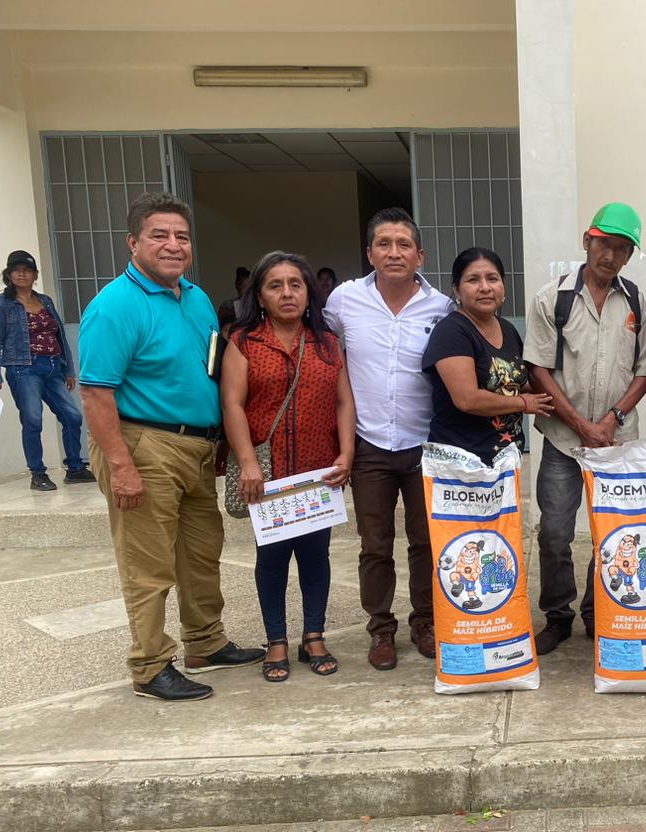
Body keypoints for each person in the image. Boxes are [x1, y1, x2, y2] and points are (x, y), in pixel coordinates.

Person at [79, 192, 264, 702]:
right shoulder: (115, 305)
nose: (173, 245)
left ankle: (205, 642)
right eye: (158, 235)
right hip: (143, 445)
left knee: (201, 552)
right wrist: (121, 466)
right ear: (133, 242)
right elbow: (95, 393)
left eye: (181, 236)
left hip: (195, 448)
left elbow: (209, 368)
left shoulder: (196, 298)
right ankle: (150, 665)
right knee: (149, 564)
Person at [324, 208, 452, 670]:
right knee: (375, 545)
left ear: (420, 255)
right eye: (384, 244)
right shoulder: (344, 300)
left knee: (426, 542)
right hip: (369, 445)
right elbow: (324, 354)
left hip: (425, 445)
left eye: (403, 244)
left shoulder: (442, 307)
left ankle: (425, 622)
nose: (394, 252)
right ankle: (381, 629)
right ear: (370, 253)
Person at [524, 202, 646, 653]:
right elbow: (538, 368)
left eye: (622, 249)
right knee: (554, 533)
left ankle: (599, 611)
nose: (610, 256)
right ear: (587, 241)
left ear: (629, 255)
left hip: (616, 443)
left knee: (611, 533)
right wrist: (581, 425)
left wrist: (612, 419)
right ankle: (557, 616)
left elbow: (645, 370)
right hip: (563, 440)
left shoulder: (637, 301)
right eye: (604, 244)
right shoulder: (553, 298)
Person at [221, 251, 355, 683]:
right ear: (260, 296)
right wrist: (247, 464)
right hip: (269, 473)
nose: (287, 293)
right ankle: (276, 640)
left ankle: (313, 635)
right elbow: (232, 404)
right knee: (272, 558)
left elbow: (343, 401)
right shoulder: (244, 343)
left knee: (316, 555)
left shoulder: (327, 343)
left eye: (295, 284)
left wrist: (346, 454)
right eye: (275, 285)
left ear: (308, 292)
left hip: (318, 472)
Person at [423, 247, 554, 463]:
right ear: (456, 290)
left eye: (492, 279)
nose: (485, 287)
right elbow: (468, 399)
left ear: (503, 286)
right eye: (473, 280)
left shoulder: (508, 329)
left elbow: (513, 382)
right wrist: (523, 403)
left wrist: (555, 390)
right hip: (462, 463)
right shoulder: (451, 332)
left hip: (505, 460)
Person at [0, 250, 94, 491]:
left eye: (27, 270)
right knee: (32, 419)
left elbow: (59, 335)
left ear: (35, 275)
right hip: (23, 369)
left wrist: (68, 369)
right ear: (9, 275)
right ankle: (38, 473)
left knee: (72, 416)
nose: (22, 274)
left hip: (53, 367)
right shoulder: (0, 304)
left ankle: (75, 468)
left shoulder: (45, 301)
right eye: (16, 270)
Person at [216, 266, 250, 333]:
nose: (248, 291)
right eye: (245, 286)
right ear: (237, 286)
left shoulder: (258, 306)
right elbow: (223, 329)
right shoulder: (227, 306)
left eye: (250, 287)